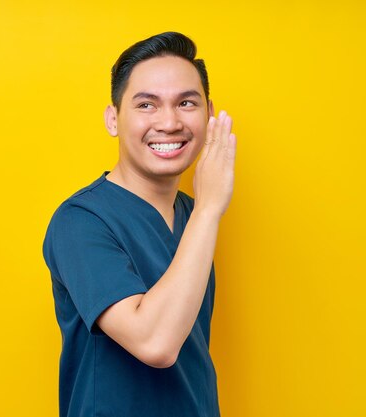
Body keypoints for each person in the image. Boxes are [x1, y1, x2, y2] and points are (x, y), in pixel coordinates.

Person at [42, 31, 236, 417]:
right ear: (114, 119)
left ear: (209, 114)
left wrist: (203, 212)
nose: (169, 122)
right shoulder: (80, 221)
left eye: (186, 102)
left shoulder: (192, 214)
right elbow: (156, 344)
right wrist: (210, 210)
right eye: (147, 104)